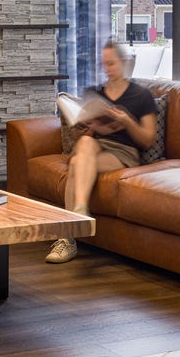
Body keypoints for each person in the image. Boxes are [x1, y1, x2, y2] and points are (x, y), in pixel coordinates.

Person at [46, 40, 158, 264]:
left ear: (124, 63)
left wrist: (127, 121)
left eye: (112, 63)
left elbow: (147, 140)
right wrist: (84, 129)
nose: (107, 69)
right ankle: (80, 212)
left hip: (122, 152)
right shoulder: (94, 93)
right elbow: (82, 137)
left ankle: (68, 238)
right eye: (104, 64)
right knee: (84, 147)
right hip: (93, 145)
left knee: (77, 163)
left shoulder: (141, 96)